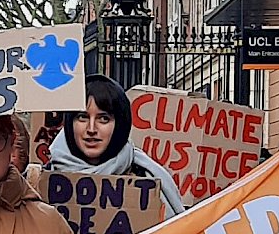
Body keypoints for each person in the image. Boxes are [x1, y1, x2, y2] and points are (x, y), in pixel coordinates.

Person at [46, 75, 185, 213]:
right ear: (70, 123)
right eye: (83, 117)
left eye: (103, 119)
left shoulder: (147, 178)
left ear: (120, 125)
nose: (91, 129)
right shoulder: (43, 180)